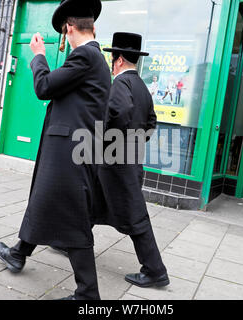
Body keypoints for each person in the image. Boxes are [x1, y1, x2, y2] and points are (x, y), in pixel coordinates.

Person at [0, 0, 111, 300]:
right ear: (93, 26)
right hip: (71, 148)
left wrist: (39, 56)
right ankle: (19, 252)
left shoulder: (84, 56)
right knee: (44, 200)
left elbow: (44, 87)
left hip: (70, 152)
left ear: (68, 28)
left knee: (71, 216)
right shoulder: (93, 59)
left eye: (64, 31)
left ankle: (88, 293)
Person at [97, 32, 170, 288]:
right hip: (127, 161)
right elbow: (151, 122)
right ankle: (65, 240)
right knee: (88, 201)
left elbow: (120, 112)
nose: (110, 62)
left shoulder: (120, 84)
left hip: (117, 164)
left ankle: (155, 270)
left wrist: (111, 142)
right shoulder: (141, 86)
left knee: (136, 217)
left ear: (117, 60)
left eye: (111, 58)